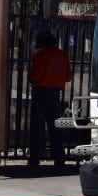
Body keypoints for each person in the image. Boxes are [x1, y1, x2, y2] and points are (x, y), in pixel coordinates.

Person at [28, 28, 72, 169]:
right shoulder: (63, 56)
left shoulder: (41, 56)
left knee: (37, 129)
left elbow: (35, 76)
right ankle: (59, 159)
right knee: (55, 129)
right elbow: (68, 77)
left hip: (41, 93)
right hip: (55, 95)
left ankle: (35, 159)